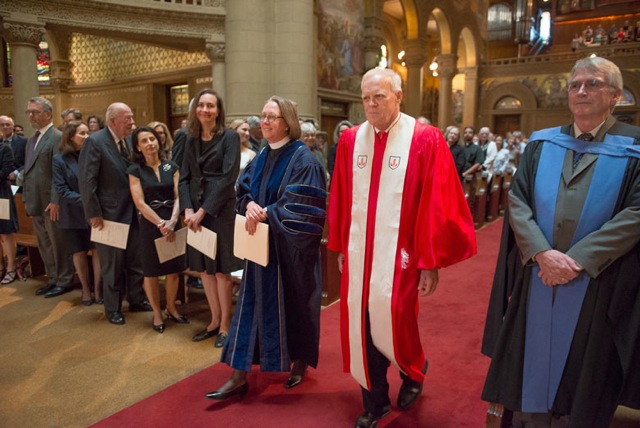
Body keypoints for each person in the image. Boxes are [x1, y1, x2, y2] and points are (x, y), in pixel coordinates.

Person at [482, 57, 640, 427]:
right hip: (539, 275)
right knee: (531, 358)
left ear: (616, 95)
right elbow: (517, 201)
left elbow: (636, 213)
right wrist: (541, 252)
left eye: (593, 83)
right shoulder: (541, 144)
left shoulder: (633, 148)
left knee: (586, 370)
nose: (581, 91)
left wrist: (578, 259)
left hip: (599, 280)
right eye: (575, 84)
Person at [327, 68, 476, 428]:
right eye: (365, 98)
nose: (371, 104)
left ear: (398, 96)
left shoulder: (425, 139)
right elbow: (343, 196)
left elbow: (436, 204)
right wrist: (343, 246)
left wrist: (429, 262)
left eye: (379, 96)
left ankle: (413, 370)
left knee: (397, 321)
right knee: (361, 323)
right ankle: (375, 402)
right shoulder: (350, 141)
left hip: (402, 256)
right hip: (361, 255)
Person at [207, 95, 326, 401]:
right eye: (263, 116)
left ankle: (298, 363)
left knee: (296, 308)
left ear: (288, 122)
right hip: (260, 250)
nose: (265, 122)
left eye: (272, 116)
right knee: (249, 309)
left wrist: (268, 213)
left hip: (291, 254)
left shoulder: (304, 159)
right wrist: (249, 207)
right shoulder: (262, 155)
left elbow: (305, 208)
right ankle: (239, 374)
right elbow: (243, 190)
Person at [79, 102, 150, 325]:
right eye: (127, 118)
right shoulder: (95, 142)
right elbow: (86, 180)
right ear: (112, 122)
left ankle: (137, 299)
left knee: (135, 260)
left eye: (131, 117)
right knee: (112, 265)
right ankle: (113, 308)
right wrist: (93, 213)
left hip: (133, 213)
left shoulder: (130, 140)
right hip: (108, 215)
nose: (132, 122)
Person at [178, 89, 239, 347]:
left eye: (210, 106)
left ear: (218, 110)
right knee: (203, 269)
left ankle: (226, 324)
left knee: (221, 271)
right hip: (196, 212)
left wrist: (203, 211)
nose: (205, 110)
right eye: (201, 105)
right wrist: (188, 210)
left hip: (219, 210)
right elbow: (183, 178)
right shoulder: (189, 138)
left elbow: (228, 179)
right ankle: (213, 320)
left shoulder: (230, 138)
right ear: (195, 110)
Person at [127, 126, 187, 333]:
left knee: (173, 270)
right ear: (137, 146)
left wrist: (171, 222)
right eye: (144, 140)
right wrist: (161, 224)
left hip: (172, 221)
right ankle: (157, 313)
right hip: (150, 225)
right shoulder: (135, 170)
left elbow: (179, 195)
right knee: (151, 271)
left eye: (152, 139)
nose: (150, 143)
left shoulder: (172, 166)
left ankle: (171, 307)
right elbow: (140, 203)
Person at [21, 97, 75, 298]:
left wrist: (55, 200)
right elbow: (29, 172)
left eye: (35, 112)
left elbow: (59, 174)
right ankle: (52, 277)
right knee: (44, 242)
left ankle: (64, 279)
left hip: (51, 202)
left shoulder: (56, 137)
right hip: (36, 200)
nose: (31, 116)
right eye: (29, 112)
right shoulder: (32, 139)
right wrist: (27, 197)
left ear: (48, 114)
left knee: (57, 242)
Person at [53, 121, 102, 305]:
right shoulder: (59, 159)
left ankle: (98, 289)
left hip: (95, 212)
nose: (87, 137)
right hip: (73, 212)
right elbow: (61, 189)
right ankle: (85, 289)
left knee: (97, 250)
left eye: (88, 132)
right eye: (82, 133)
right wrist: (87, 200)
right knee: (79, 251)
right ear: (70, 136)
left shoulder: (92, 154)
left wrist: (94, 203)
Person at [0, 121, 19, 284]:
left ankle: (11, 268)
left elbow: (6, 170)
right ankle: (0, 267)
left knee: (6, 232)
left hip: (2, 194)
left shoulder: (4, 148)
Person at [0, 115, 27, 184]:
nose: (5, 127)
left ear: (13, 126)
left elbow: (30, 161)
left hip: (19, 179)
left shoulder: (24, 141)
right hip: (2, 181)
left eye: (8, 124)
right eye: (2, 125)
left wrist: (16, 172)